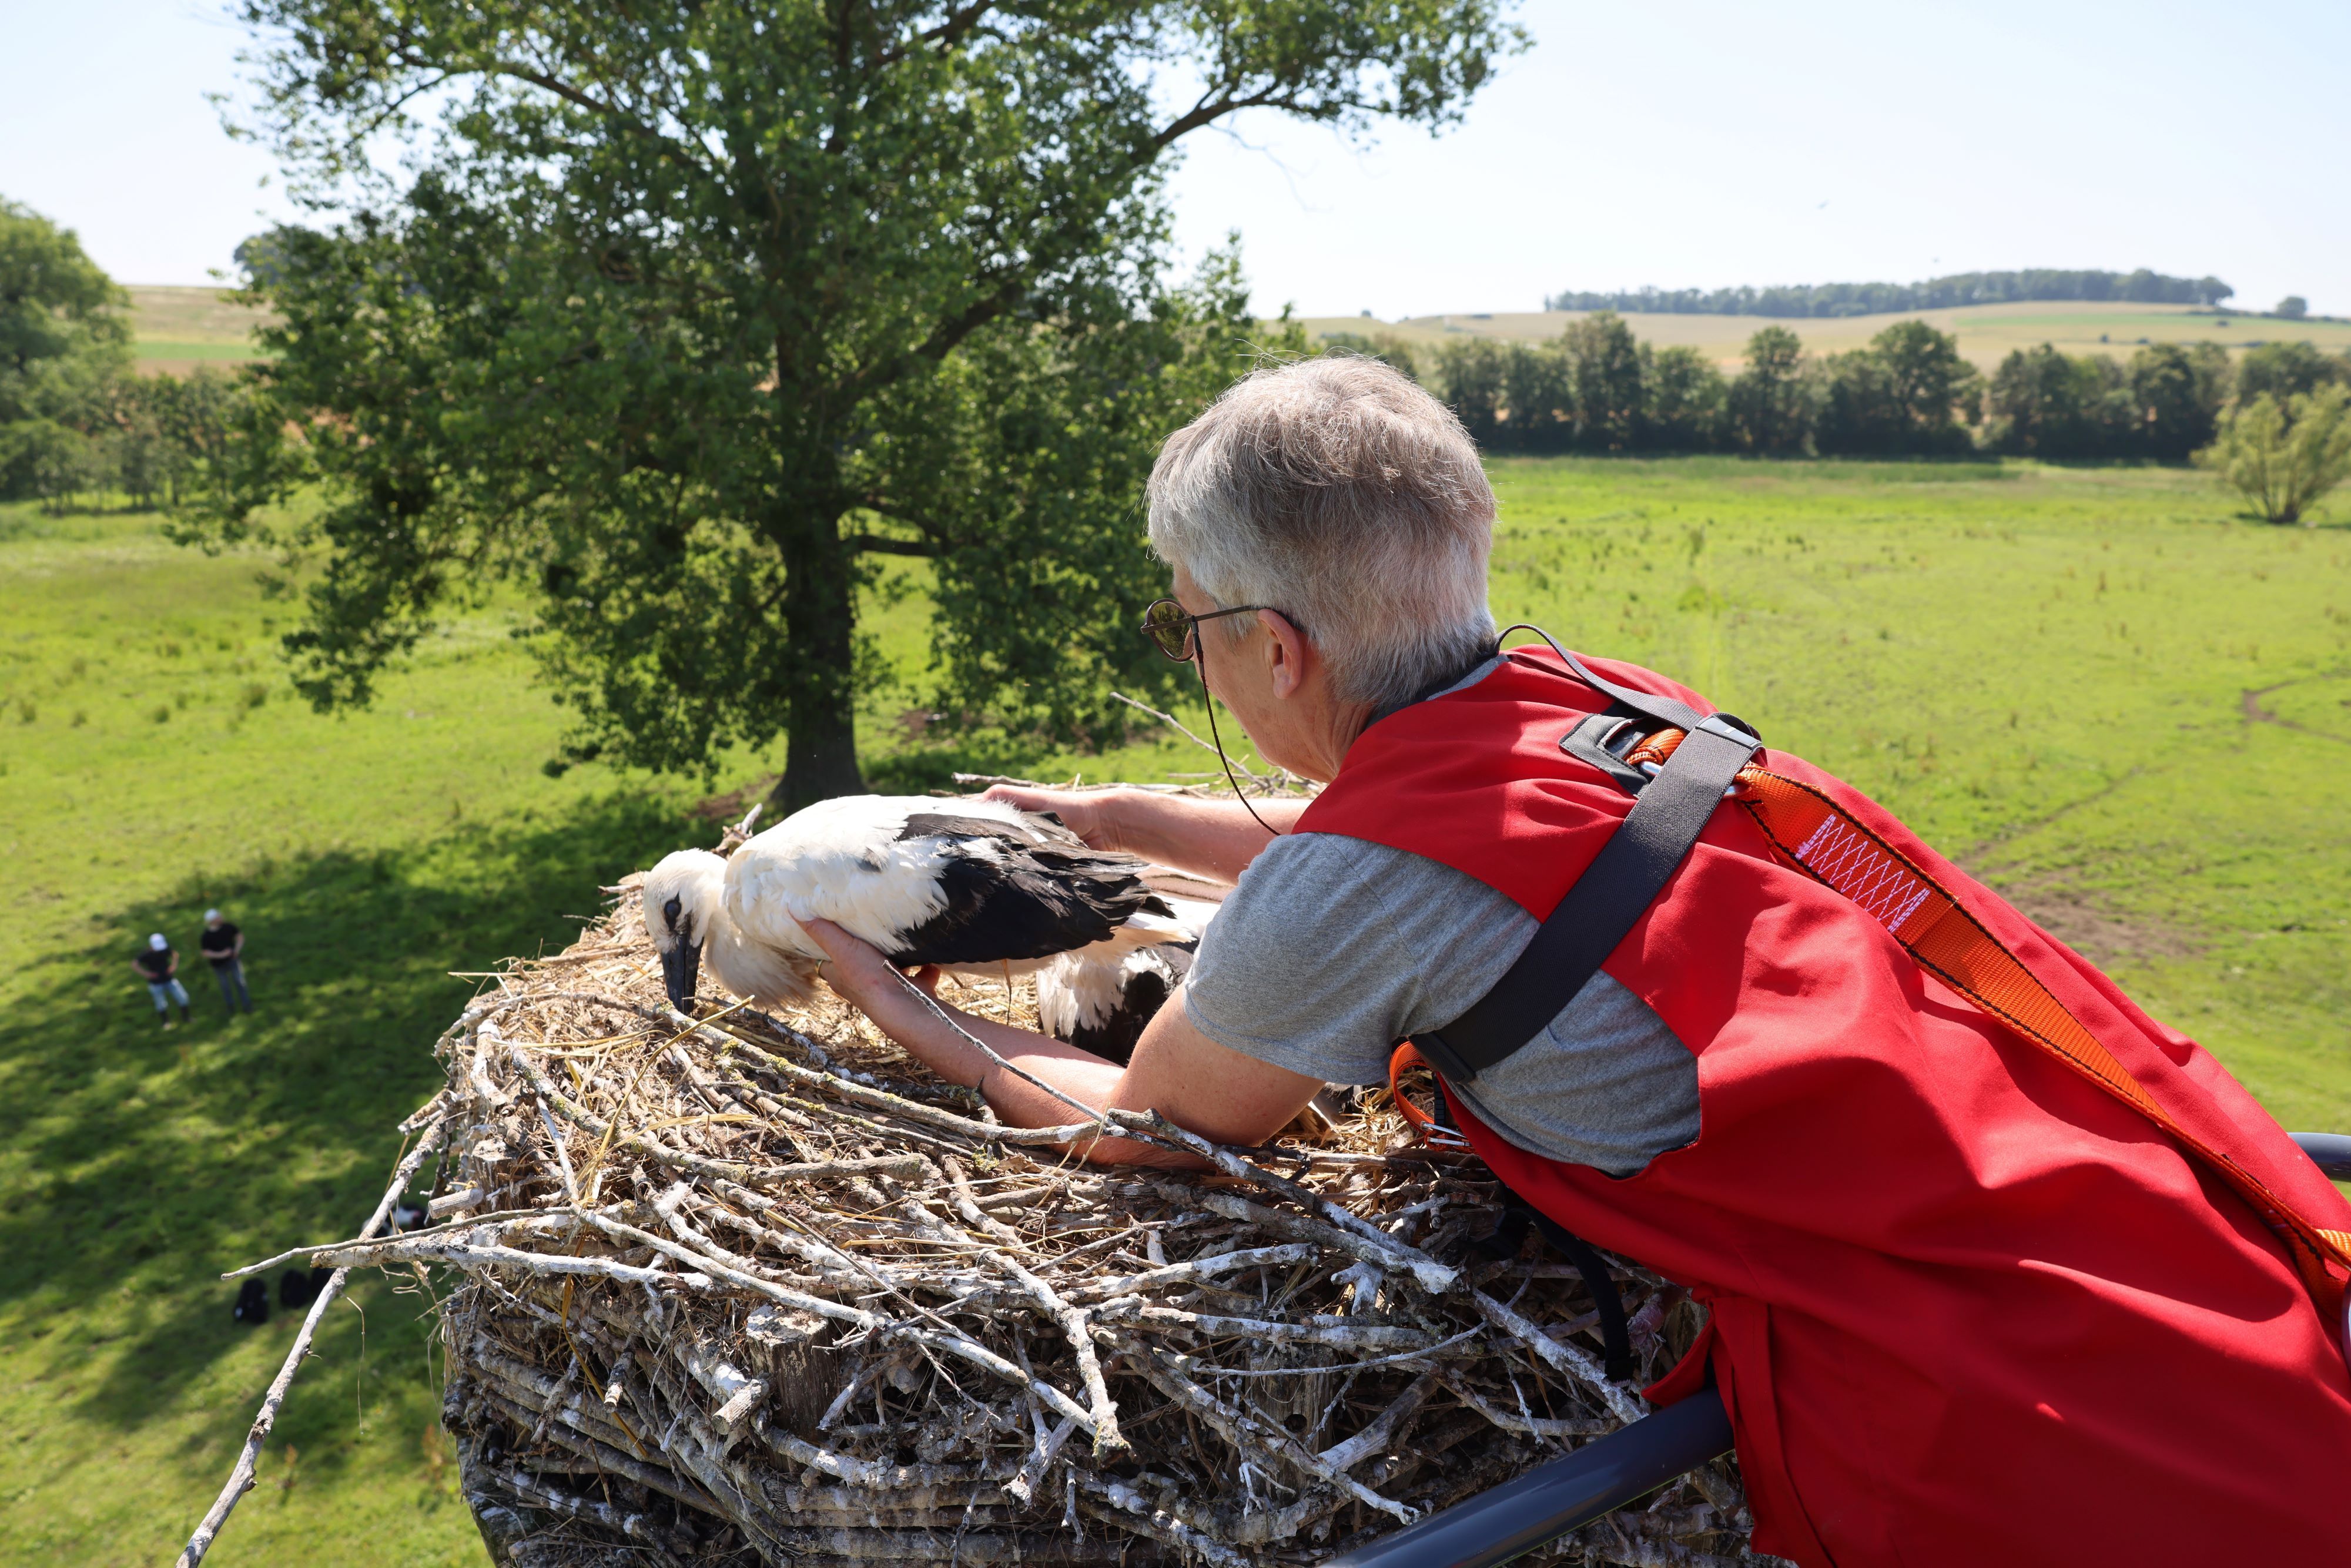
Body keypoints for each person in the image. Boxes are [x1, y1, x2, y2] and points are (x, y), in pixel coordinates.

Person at [796, 356, 2351, 1567]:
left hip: (2054, 1437)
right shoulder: (1595, 704)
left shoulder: (1360, 882)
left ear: (1275, 647)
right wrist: (1117, 816)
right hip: (2168, 1262)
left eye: (1186, 625)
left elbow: (1150, 1131)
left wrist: (896, 1002)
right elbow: (1432, 860)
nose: (1188, 653)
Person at [199, 908, 253, 1016]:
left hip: (233, 961)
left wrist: (237, 950)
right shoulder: (206, 936)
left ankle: (247, 1007)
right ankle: (231, 1007)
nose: (221, 917)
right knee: (225, 987)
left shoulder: (228, 927)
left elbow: (240, 937)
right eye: (218, 917)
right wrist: (221, 955)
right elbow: (205, 953)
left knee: (240, 982)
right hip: (218, 966)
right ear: (212, 921)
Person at [135, 933, 191, 1028]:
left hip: (169, 979)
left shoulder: (165, 950)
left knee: (183, 998)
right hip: (156, 983)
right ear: (151, 945)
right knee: (161, 1004)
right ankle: (166, 1023)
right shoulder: (146, 955)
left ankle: (186, 1018)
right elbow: (134, 964)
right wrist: (146, 974)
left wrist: (173, 966)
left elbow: (175, 955)